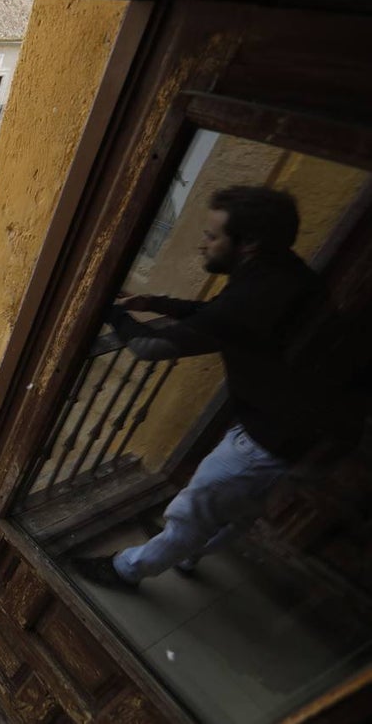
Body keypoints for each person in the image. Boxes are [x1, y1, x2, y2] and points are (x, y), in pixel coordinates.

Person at [72, 185, 346, 591]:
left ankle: (126, 570)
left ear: (248, 243)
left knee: (192, 510)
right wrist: (158, 303)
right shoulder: (284, 272)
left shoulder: (253, 295)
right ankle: (189, 554)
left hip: (268, 438)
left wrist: (112, 312)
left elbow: (149, 347)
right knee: (238, 511)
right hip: (302, 430)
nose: (202, 244)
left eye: (212, 236)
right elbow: (220, 315)